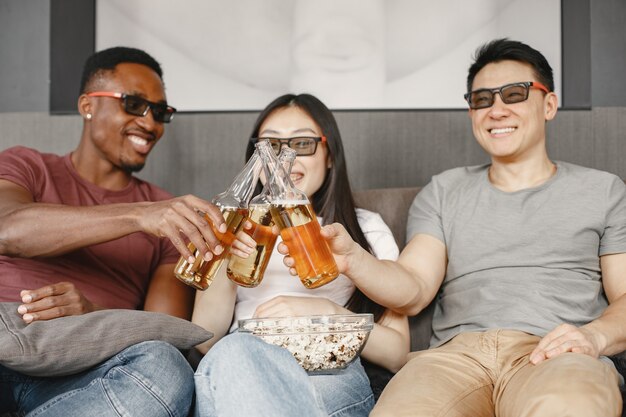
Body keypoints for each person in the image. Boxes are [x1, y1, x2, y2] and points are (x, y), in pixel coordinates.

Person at [293, 39, 626, 417]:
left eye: (514, 94)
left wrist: (593, 336)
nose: (496, 110)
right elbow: (414, 289)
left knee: (570, 408)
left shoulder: (603, 191)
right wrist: (353, 259)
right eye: (482, 99)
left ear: (549, 104)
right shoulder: (444, 190)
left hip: (556, 351)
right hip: (455, 358)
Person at [0, 47, 226, 416]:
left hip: (86, 372)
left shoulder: (170, 215)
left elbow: (164, 330)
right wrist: (139, 215)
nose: (151, 124)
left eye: (160, 113)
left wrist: (92, 312)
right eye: (134, 104)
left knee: (165, 368)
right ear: (88, 105)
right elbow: (7, 229)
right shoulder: (28, 166)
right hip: (6, 337)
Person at [191, 93, 410, 416]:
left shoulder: (364, 229)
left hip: (328, 373)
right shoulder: (233, 224)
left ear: (330, 155)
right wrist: (226, 257)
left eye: (302, 145)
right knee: (234, 354)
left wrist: (325, 312)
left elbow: (396, 353)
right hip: (239, 365)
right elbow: (205, 340)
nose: (285, 159)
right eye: (271, 146)